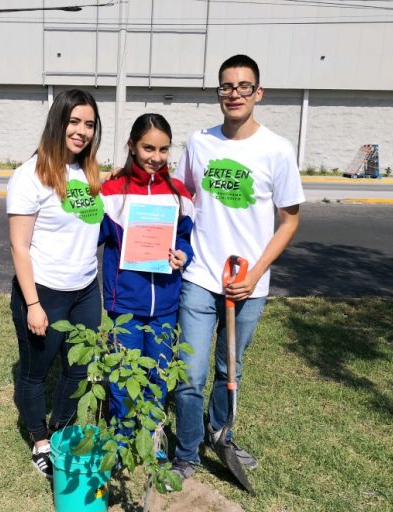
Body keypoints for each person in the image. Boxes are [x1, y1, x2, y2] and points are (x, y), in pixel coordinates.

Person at [170, 54, 305, 482]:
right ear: (219, 93)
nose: (235, 94)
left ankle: (219, 433)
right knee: (191, 372)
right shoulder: (199, 142)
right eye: (227, 86)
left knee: (230, 368)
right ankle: (187, 452)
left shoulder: (277, 150)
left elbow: (289, 220)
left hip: (248, 284)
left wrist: (255, 274)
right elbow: (181, 196)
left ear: (257, 93)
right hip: (200, 276)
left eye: (244, 86)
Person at [6, 89, 104, 478]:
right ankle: (40, 441)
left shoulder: (89, 173)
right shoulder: (29, 176)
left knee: (77, 369)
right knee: (35, 372)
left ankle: (60, 429)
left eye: (89, 124)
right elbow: (19, 246)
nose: (82, 131)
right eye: (74, 121)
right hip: (45, 292)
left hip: (86, 290)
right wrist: (33, 304)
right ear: (58, 122)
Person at [100, 113, 194, 455]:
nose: (156, 157)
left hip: (165, 305)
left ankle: (153, 435)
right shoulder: (112, 192)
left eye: (163, 149)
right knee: (123, 374)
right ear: (132, 146)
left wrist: (183, 254)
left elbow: (186, 238)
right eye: (148, 148)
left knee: (158, 374)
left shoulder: (179, 193)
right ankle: (122, 437)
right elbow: (90, 235)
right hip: (124, 304)